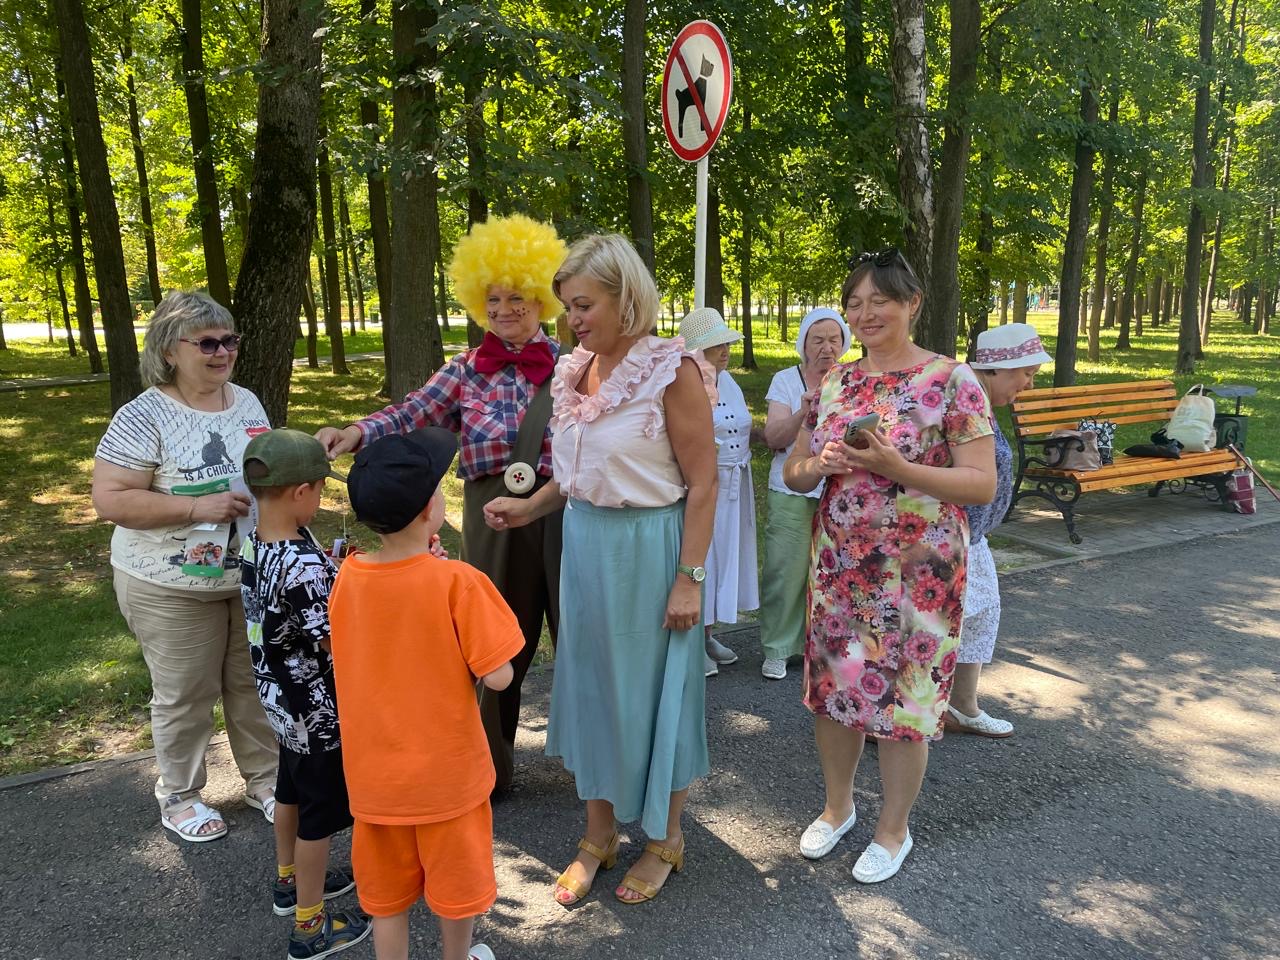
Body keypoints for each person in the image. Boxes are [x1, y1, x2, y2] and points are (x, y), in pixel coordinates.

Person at [483, 234, 717, 906]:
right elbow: (579, 474)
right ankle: (598, 835)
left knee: (654, 695)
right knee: (590, 692)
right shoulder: (574, 368)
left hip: (651, 550)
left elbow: (702, 486)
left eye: (584, 304)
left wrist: (688, 578)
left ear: (625, 295)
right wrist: (531, 509)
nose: (573, 319)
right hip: (584, 545)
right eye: (568, 308)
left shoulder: (674, 371)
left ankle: (664, 838)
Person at [315, 214, 566, 796]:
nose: (506, 309)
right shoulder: (462, 371)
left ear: (541, 299)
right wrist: (355, 432)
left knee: (577, 636)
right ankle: (490, 770)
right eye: (494, 298)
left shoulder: (573, 367)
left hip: (564, 509)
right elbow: (408, 414)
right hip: (492, 516)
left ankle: (591, 769)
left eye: (519, 297)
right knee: (495, 641)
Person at [783, 249, 996, 883]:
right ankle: (838, 808)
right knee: (836, 692)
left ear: (912, 305)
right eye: (856, 302)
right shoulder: (834, 382)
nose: (866, 312)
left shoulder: (952, 379)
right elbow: (794, 472)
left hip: (920, 572)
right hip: (843, 569)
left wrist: (897, 469)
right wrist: (817, 466)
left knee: (907, 699)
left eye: (880, 300)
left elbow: (980, 483)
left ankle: (893, 829)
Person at [329, 427, 524, 960]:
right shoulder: (458, 581)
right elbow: (502, 675)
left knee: (387, 900)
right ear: (427, 510)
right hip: (447, 779)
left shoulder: (346, 579)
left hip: (374, 782)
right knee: (455, 895)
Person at [92, 290, 277, 842]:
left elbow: (261, 474)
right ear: (171, 350)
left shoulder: (246, 402)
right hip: (166, 584)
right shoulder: (144, 413)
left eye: (229, 341)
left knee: (251, 686)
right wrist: (197, 506)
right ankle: (180, 797)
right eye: (207, 343)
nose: (222, 352)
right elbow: (111, 499)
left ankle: (266, 782)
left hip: (244, 575)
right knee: (186, 694)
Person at [239, 429, 371, 959]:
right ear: (299, 492)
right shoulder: (303, 564)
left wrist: (333, 572)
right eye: (319, 489)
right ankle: (310, 926)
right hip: (318, 711)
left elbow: (284, 610)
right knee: (321, 814)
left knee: (290, 790)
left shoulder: (258, 542)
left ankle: (288, 881)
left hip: (280, 700)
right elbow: (333, 636)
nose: (321, 500)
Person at [948, 323, 1050, 738]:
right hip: (948, 542)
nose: (1028, 384)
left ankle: (962, 706)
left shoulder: (982, 404)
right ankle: (897, 719)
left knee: (980, 617)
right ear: (996, 369)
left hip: (975, 538)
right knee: (942, 627)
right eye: (1025, 373)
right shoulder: (963, 404)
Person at [759, 307, 851, 680]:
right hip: (790, 489)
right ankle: (778, 648)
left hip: (841, 491)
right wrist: (803, 412)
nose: (827, 347)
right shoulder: (785, 379)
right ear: (803, 345)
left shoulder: (852, 379)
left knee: (832, 573)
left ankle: (820, 645)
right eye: (818, 340)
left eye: (834, 339)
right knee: (786, 570)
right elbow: (773, 439)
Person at [677, 307, 758, 678]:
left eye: (726, 342)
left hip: (735, 484)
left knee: (725, 557)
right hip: (705, 486)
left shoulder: (731, 383)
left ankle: (708, 633)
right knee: (703, 558)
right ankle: (691, 643)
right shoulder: (686, 384)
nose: (724, 349)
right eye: (716, 344)